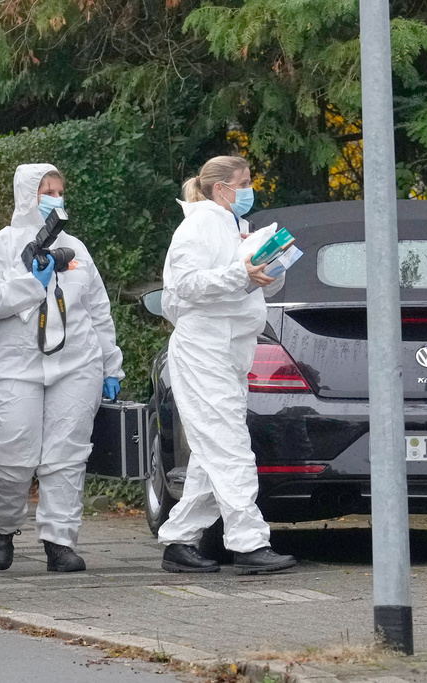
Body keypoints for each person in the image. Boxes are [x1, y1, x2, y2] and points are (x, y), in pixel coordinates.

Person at [0, 163, 124, 573]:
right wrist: (31, 284)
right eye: (45, 191)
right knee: (11, 452)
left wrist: (111, 365)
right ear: (26, 195)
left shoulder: (77, 250)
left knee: (67, 454)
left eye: (58, 190)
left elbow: (97, 311)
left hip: (76, 364)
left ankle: (59, 542)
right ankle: (3, 527)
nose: (54, 198)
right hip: (13, 366)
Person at [157, 155, 296, 575]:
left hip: (230, 349)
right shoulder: (198, 226)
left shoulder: (236, 229)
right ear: (221, 189)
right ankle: (249, 542)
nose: (250, 189)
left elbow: (246, 284)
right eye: (245, 182)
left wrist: (270, 266)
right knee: (230, 446)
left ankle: (180, 541)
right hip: (203, 348)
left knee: (211, 451)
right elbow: (184, 286)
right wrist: (242, 274)